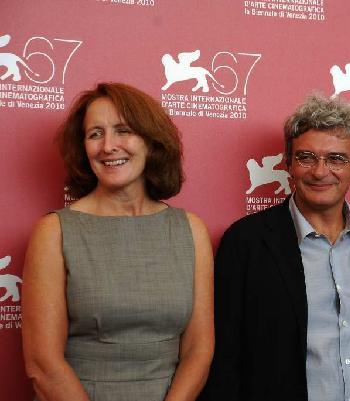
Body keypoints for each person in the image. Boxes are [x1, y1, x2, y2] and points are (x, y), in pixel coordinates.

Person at [201, 94, 350, 401]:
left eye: (336, 159)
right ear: (288, 163)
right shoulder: (246, 242)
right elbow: (225, 359)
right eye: (306, 157)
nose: (320, 172)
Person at [22, 82, 214, 401]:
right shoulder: (54, 231)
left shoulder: (190, 230)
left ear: (151, 141)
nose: (108, 146)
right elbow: (43, 365)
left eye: (122, 130)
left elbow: (199, 350)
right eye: (95, 134)